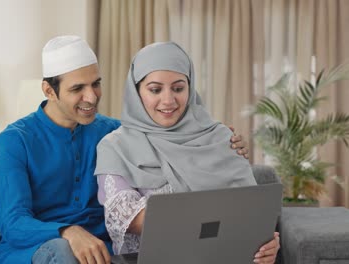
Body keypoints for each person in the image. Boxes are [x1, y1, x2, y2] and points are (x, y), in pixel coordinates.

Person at [0, 36, 250, 264]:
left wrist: (219, 142)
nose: (92, 97)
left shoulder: (116, 133)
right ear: (49, 91)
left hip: (102, 251)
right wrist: (69, 232)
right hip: (38, 249)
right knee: (63, 252)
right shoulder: (15, 140)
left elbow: (165, 135)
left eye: (96, 84)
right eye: (78, 88)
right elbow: (13, 222)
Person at [95, 42, 280, 264]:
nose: (168, 100)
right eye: (155, 89)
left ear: (190, 88)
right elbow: (128, 219)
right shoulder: (114, 146)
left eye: (178, 88)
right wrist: (225, 219)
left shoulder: (220, 136)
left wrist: (266, 242)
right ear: (136, 91)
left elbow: (251, 209)